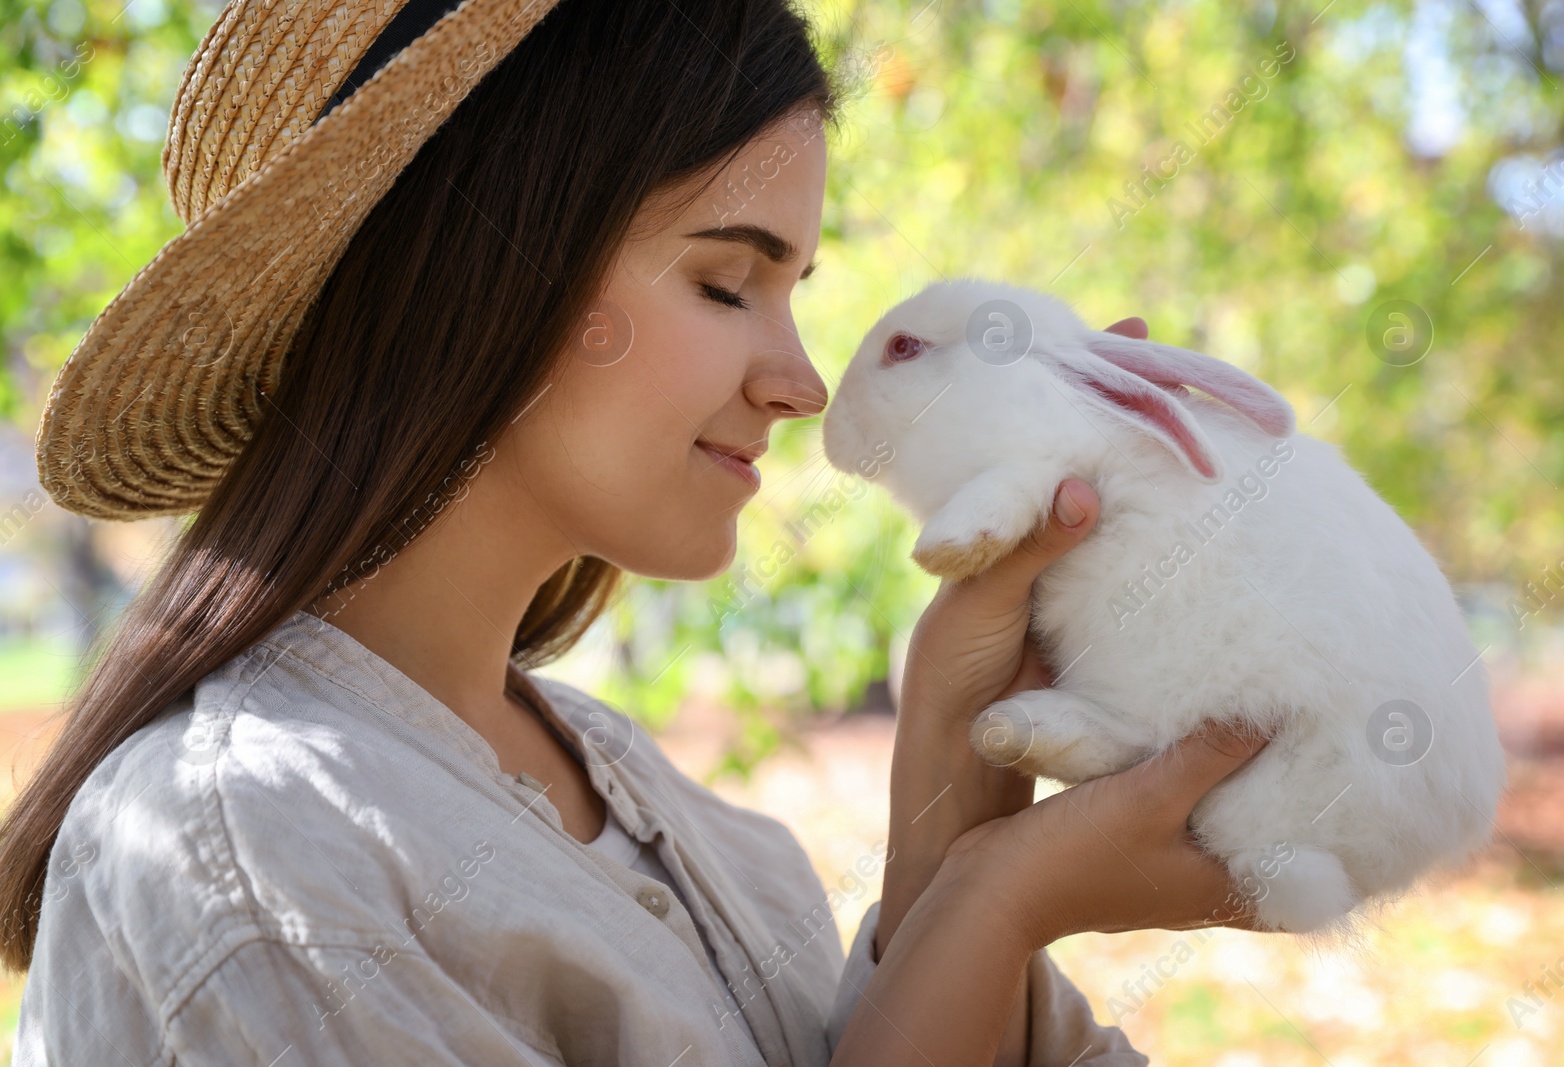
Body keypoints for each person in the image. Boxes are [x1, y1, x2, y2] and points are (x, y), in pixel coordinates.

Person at [2, 0, 1274, 1063]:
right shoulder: (257, 857)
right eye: (727, 281)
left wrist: (955, 814)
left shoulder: (686, 824)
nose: (801, 381)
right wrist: (999, 906)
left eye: (791, 291)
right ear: (482, 263)